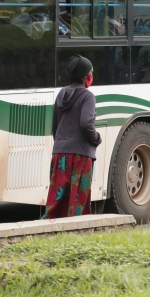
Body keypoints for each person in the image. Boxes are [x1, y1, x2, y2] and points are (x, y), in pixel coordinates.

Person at [44, 55, 102, 218]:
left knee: (57, 200)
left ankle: (47, 231)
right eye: (90, 72)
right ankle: (75, 235)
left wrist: (62, 144)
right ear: (85, 77)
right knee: (77, 203)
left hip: (60, 155)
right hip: (80, 156)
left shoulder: (61, 93)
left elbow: (55, 125)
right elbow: (86, 124)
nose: (92, 75)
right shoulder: (87, 96)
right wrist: (96, 138)